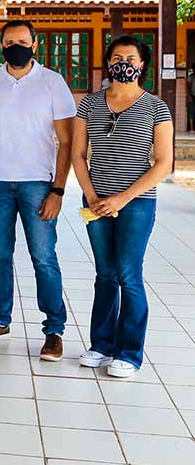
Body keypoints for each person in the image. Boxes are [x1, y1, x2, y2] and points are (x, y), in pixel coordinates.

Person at [0, 20, 76, 361]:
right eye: (10, 41)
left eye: (23, 41)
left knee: (43, 256)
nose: (16, 46)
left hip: (38, 184)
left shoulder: (52, 83)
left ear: (35, 45)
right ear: (1, 46)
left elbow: (68, 141)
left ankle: (53, 330)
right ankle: (0, 320)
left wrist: (58, 189)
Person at [72, 35, 173, 378]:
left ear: (142, 65)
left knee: (129, 275)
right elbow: (77, 153)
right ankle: (101, 344)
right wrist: (90, 195)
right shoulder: (89, 104)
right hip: (96, 202)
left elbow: (163, 163)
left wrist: (121, 198)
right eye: (117, 57)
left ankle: (129, 352)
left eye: (131, 57)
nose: (123, 63)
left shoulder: (156, 107)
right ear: (108, 62)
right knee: (105, 274)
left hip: (136, 204)